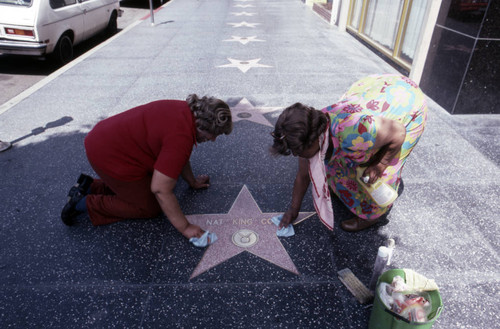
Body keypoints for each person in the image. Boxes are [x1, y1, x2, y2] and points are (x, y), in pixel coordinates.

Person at [61, 94, 233, 242]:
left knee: (156, 185)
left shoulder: (185, 111)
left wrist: (192, 182)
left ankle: (90, 185)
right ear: (203, 127)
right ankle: (82, 203)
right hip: (109, 156)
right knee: (150, 206)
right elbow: (160, 189)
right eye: (214, 135)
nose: (213, 140)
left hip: (105, 139)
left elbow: (179, 156)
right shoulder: (181, 137)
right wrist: (186, 227)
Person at [270, 74, 428, 232]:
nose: (296, 155)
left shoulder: (357, 131)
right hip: (374, 95)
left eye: (297, 150)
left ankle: (372, 215)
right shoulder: (311, 131)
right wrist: (293, 210)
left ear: (313, 139)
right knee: (340, 163)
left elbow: (398, 133)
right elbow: (303, 175)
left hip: (406, 104)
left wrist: (380, 165)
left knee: (379, 175)